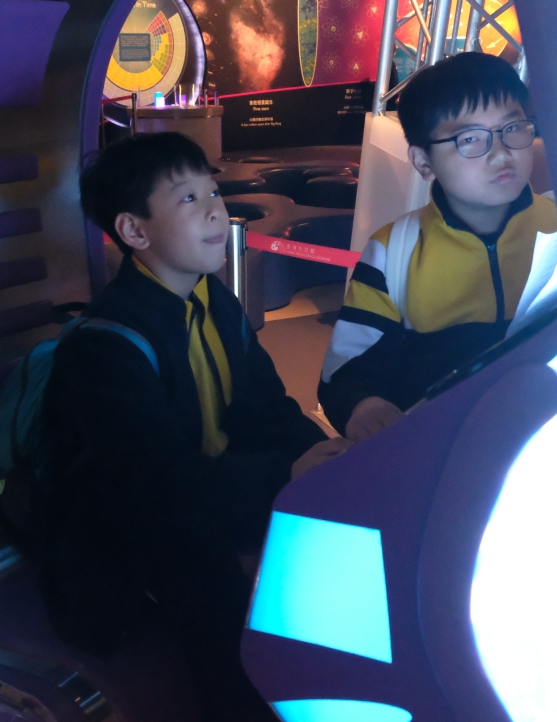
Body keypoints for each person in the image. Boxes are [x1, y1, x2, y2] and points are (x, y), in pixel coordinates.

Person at [32, 132, 342, 722]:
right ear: (134, 231)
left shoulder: (216, 302)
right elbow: (156, 487)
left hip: (212, 490)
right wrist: (284, 474)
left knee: (333, 522)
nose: (216, 210)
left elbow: (267, 408)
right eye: (188, 199)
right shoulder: (105, 346)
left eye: (213, 192)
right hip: (127, 529)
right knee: (219, 599)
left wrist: (325, 458)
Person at [318, 52, 557, 440]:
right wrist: (364, 405)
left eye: (513, 128)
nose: (501, 153)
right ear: (423, 162)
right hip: (442, 447)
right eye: (470, 139)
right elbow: (346, 367)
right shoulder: (392, 252)